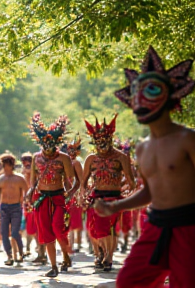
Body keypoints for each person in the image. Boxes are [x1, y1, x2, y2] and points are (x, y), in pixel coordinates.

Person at [95, 45, 195, 287]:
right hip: (156, 225)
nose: (140, 97)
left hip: (190, 226)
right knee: (129, 281)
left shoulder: (188, 139)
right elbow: (151, 192)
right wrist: (115, 206)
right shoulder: (143, 148)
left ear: (172, 95)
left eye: (151, 89)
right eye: (136, 90)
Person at [26, 112, 78, 277]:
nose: (48, 147)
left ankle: (65, 255)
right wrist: (29, 193)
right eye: (45, 143)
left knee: (57, 227)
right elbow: (33, 181)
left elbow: (74, 181)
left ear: (57, 143)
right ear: (40, 142)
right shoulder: (36, 157)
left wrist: (70, 193)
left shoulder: (64, 158)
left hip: (58, 198)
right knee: (47, 233)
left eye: (51, 144)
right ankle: (54, 266)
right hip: (41, 199)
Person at [81, 114, 135, 271]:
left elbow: (131, 182)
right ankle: (103, 253)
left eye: (104, 141)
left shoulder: (121, 157)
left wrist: (125, 192)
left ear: (110, 139)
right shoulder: (91, 159)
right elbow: (84, 181)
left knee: (111, 228)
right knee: (98, 229)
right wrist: (83, 194)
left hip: (115, 198)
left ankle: (109, 257)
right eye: (97, 142)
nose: (101, 144)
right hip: (97, 197)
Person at [0, 152, 28, 265]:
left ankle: (21, 252)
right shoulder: (0, 179)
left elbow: (27, 192)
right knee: (4, 233)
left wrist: (27, 202)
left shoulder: (19, 179)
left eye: (6, 165)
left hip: (16, 208)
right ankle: (9, 256)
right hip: (4, 207)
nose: (5, 168)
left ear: (11, 165)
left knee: (15, 233)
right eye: (3, 165)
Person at [21, 151, 47, 264]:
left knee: (39, 227)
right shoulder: (25, 172)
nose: (26, 164)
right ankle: (37, 251)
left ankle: (42, 253)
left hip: (37, 199)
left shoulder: (35, 172)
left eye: (28, 161)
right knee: (31, 228)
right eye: (24, 161)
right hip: (28, 202)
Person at [61, 135, 83, 253]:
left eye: (73, 150)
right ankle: (66, 246)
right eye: (69, 150)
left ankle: (71, 246)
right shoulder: (62, 161)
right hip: (62, 195)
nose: (71, 152)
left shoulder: (76, 163)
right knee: (63, 222)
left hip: (72, 196)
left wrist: (72, 193)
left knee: (71, 222)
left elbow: (80, 181)